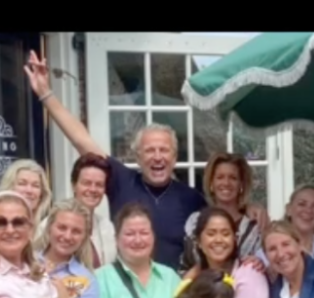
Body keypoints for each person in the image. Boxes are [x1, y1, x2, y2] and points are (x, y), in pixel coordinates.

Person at [26, 52, 205, 269]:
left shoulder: (191, 199)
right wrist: (45, 93)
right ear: (138, 157)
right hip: (123, 286)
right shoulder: (122, 180)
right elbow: (81, 140)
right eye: (149, 150)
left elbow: (209, 243)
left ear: (174, 157)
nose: (157, 156)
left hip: (173, 286)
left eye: (164, 150)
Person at [180, 206, 269, 298]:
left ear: (235, 239)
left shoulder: (250, 273)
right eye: (211, 234)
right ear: (199, 242)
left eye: (225, 234)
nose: (218, 240)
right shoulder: (194, 276)